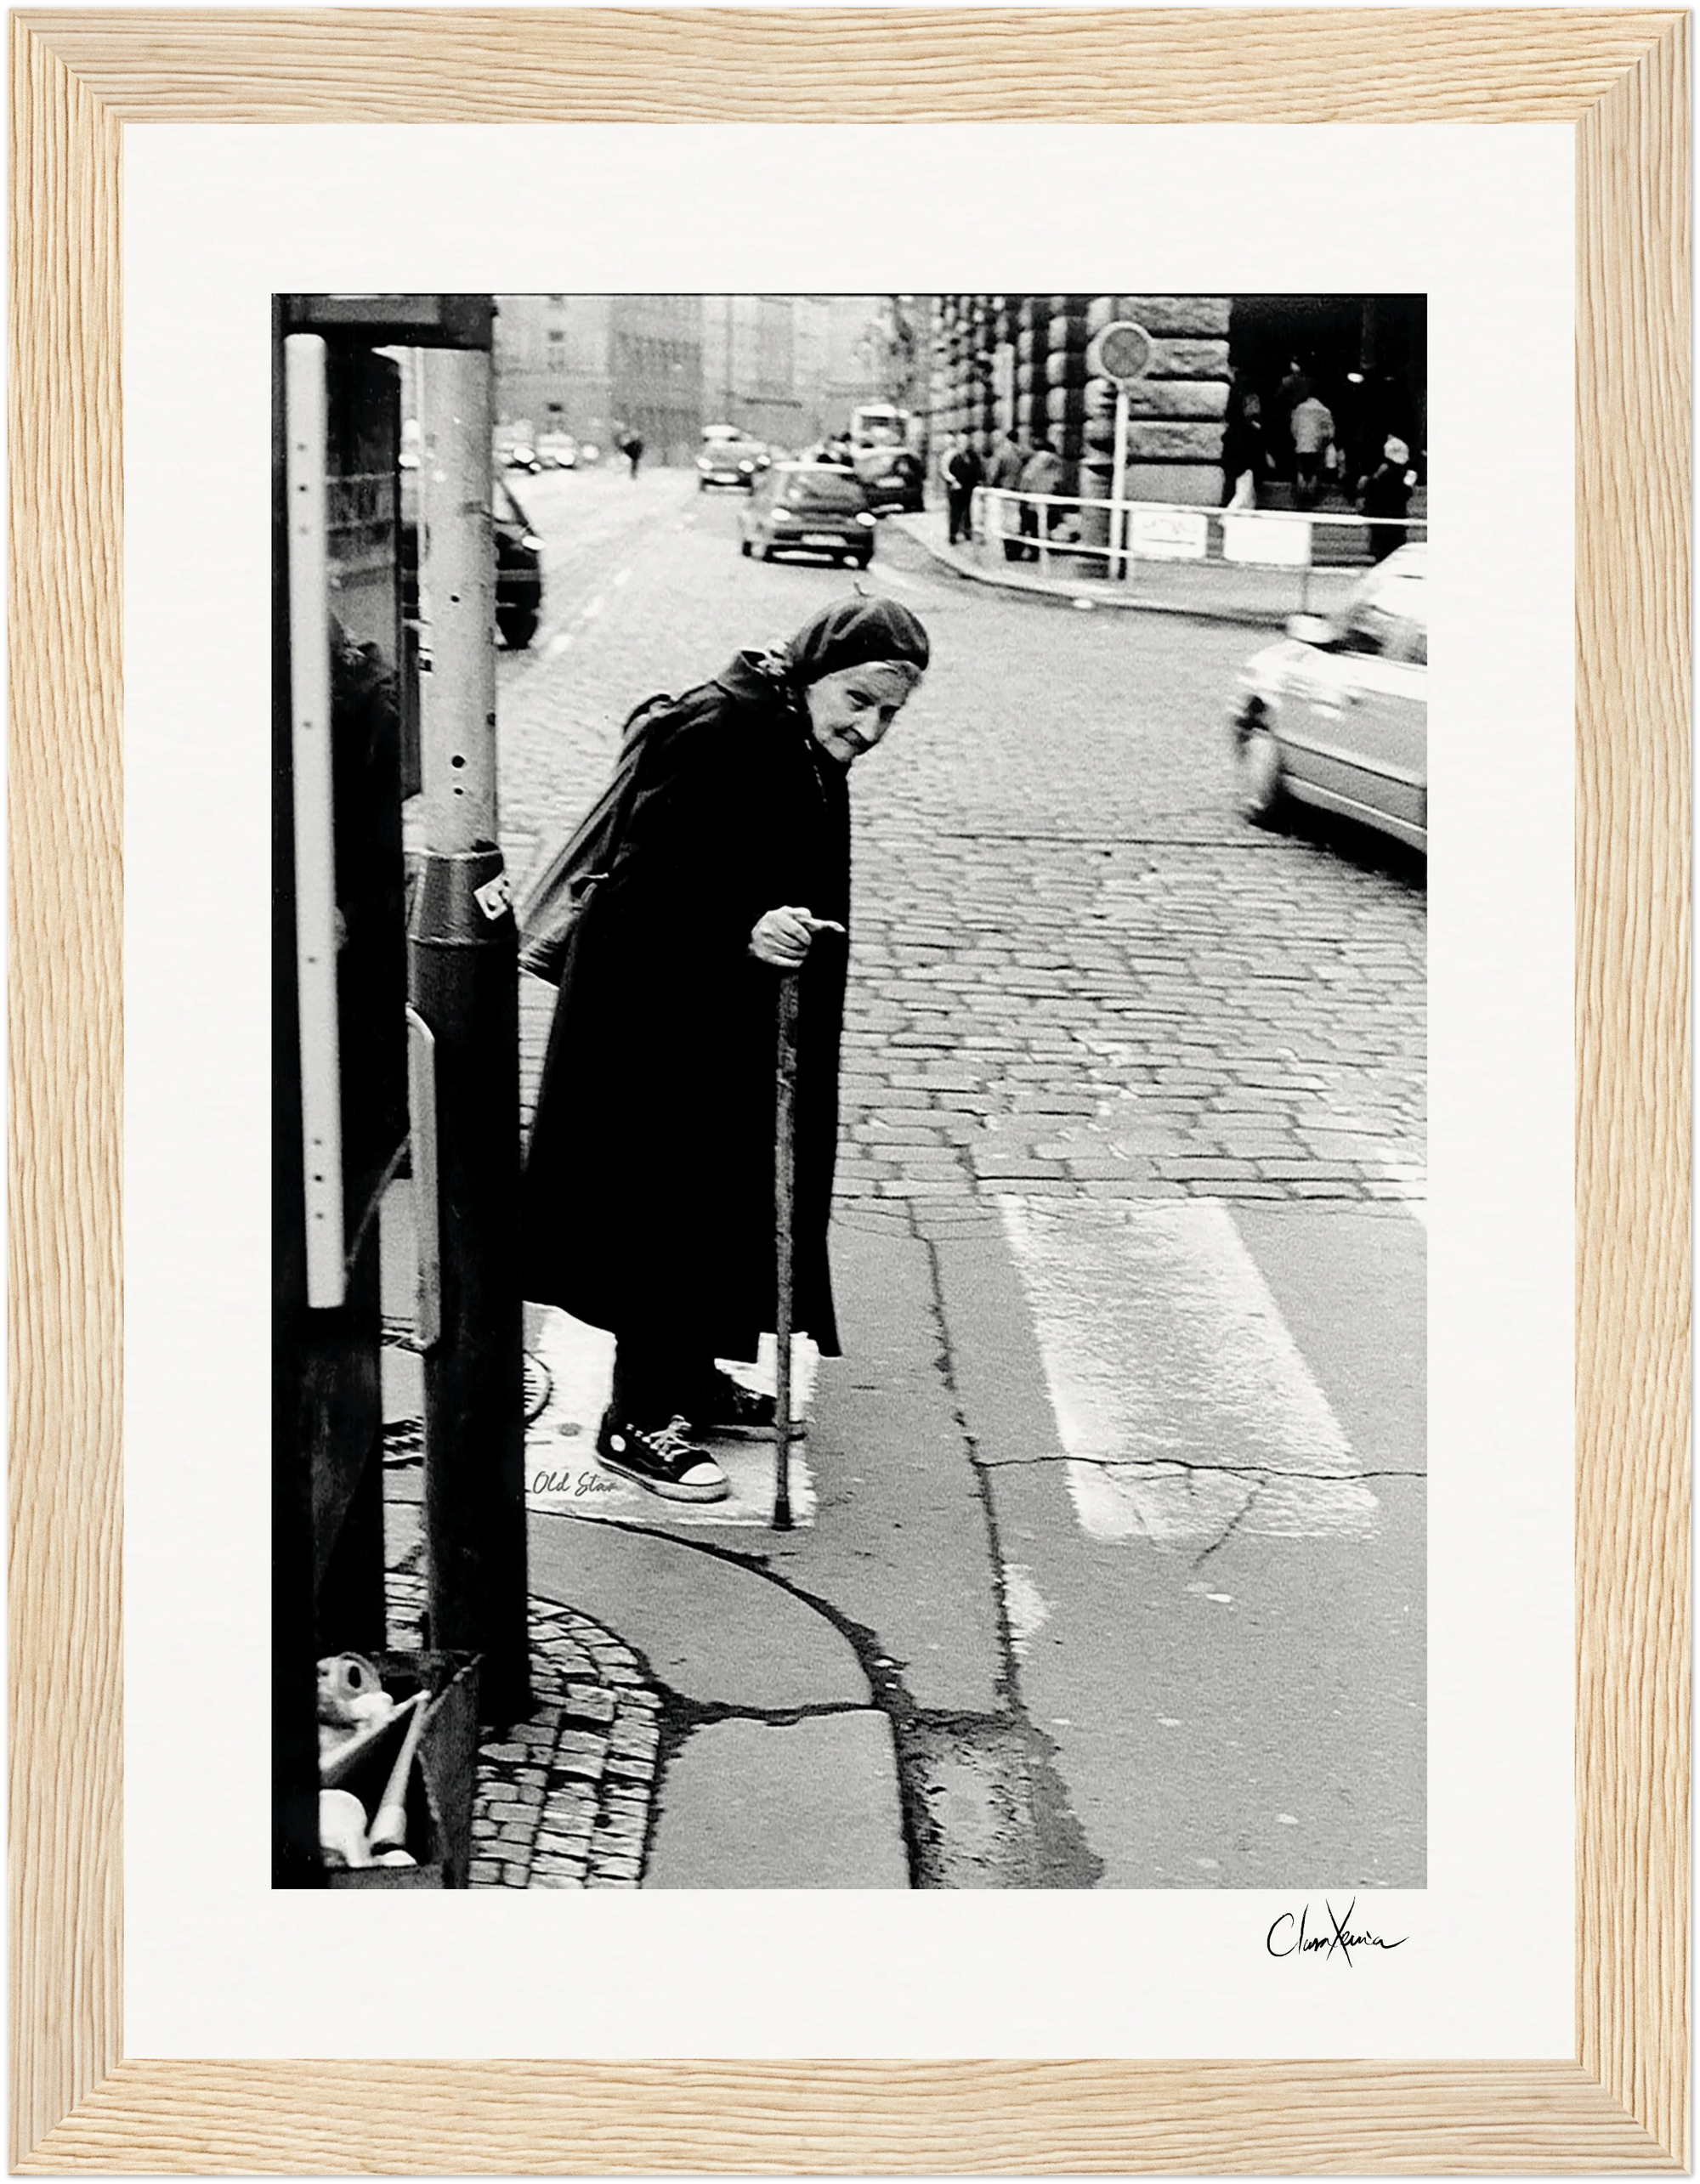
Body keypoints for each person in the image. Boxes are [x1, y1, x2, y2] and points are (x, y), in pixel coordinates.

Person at [520, 596, 932, 1502]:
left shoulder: (792, 730)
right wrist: (741, 933)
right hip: (661, 1027)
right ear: (812, 671)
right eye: (858, 700)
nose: (868, 728)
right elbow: (636, 894)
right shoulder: (719, 731)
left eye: (888, 714)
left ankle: (691, 1376)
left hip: (734, 1017)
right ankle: (635, 1418)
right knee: (670, 1204)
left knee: (726, 1197)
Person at [1360, 436, 1418, 562]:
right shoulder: (1399, 475)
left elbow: (1368, 491)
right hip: (1391, 520)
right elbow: (1403, 494)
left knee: (1382, 554)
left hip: (1382, 520)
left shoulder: (1381, 474)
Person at [1017, 437, 1063, 561]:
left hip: (1033, 497)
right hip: (1048, 497)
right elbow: (1058, 481)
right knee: (1040, 525)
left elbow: (1027, 477)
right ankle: (1037, 549)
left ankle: (1031, 551)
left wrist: (1023, 493)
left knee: (1030, 525)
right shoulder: (1056, 462)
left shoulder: (1038, 460)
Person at [1289, 390, 1335, 507]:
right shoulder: (1325, 411)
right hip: (1316, 448)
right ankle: (1311, 500)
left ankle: (1301, 499)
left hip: (1301, 447)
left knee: (1301, 472)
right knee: (1314, 473)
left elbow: (1294, 429)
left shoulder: (1299, 409)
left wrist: (1299, 439)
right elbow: (1330, 433)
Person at [988, 431, 1026, 558]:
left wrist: (990, 485)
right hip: (1019, 490)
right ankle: (1016, 549)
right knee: (1016, 522)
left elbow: (993, 472)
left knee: (1006, 522)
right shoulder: (1021, 452)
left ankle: (1009, 552)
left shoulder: (1001, 452)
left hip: (1005, 489)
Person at [942, 435, 983, 546]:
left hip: (968, 488)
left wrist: (978, 481)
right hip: (956, 489)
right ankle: (953, 535)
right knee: (955, 513)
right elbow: (946, 471)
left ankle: (967, 532)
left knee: (968, 511)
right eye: (961, 442)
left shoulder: (972, 457)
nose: (963, 445)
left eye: (965, 442)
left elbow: (978, 470)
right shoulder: (954, 456)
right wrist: (953, 481)